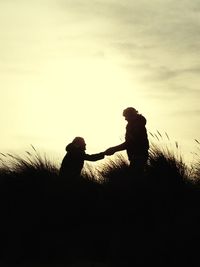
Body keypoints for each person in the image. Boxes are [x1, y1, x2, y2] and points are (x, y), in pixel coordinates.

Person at [105, 107, 149, 175]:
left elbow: (130, 143)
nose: (125, 119)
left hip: (138, 155)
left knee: (134, 177)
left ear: (131, 115)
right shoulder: (133, 125)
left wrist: (114, 149)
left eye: (126, 116)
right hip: (136, 155)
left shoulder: (137, 126)